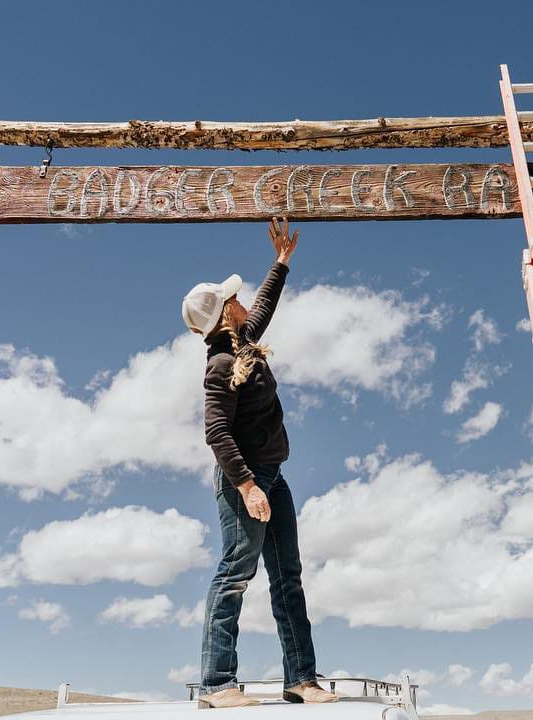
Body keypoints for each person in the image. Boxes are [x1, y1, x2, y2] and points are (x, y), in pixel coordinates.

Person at [180, 217, 338, 710]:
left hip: (274, 478)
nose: (244, 300)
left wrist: (282, 262)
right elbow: (216, 433)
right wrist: (248, 486)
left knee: (287, 575)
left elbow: (264, 303)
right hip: (244, 483)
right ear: (226, 314)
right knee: (235, 573)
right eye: (235, 298)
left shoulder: (243, 342)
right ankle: (216, 684)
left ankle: (301, 679)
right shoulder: (221, 366)